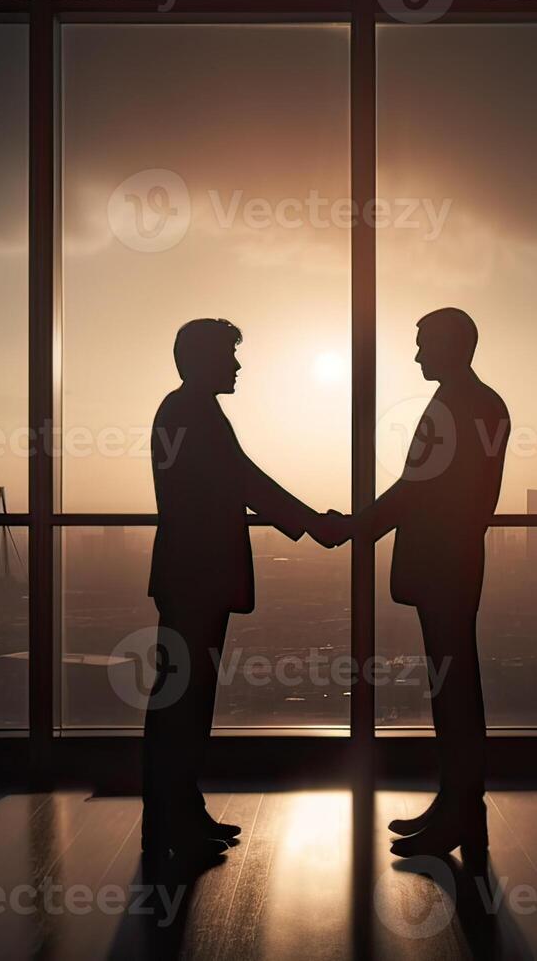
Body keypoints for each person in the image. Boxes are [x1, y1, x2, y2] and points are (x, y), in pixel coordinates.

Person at [144, 318, 348, 865]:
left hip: (190, 573)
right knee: (184, 700)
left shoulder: (186, 410)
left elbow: (239, 481)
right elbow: (245, 482)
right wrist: (313, 523)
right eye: (229, 356)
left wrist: (308, 521)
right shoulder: (195, 414)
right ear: (203, 359)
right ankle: (174, 819)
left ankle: (177, 815)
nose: (237, 366)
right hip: (197, 575)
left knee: (183, 698)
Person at [360, 307, 509, 863]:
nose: (417, 354)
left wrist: (354, 529)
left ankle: (461, 809)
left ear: (451, 346)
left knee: (454, 690)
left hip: (444, 563)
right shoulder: (479, 403)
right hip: (455, 561)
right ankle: (457, 804)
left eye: (423, 343)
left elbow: (415, 489)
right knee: (454, 685)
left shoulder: (458, 405)